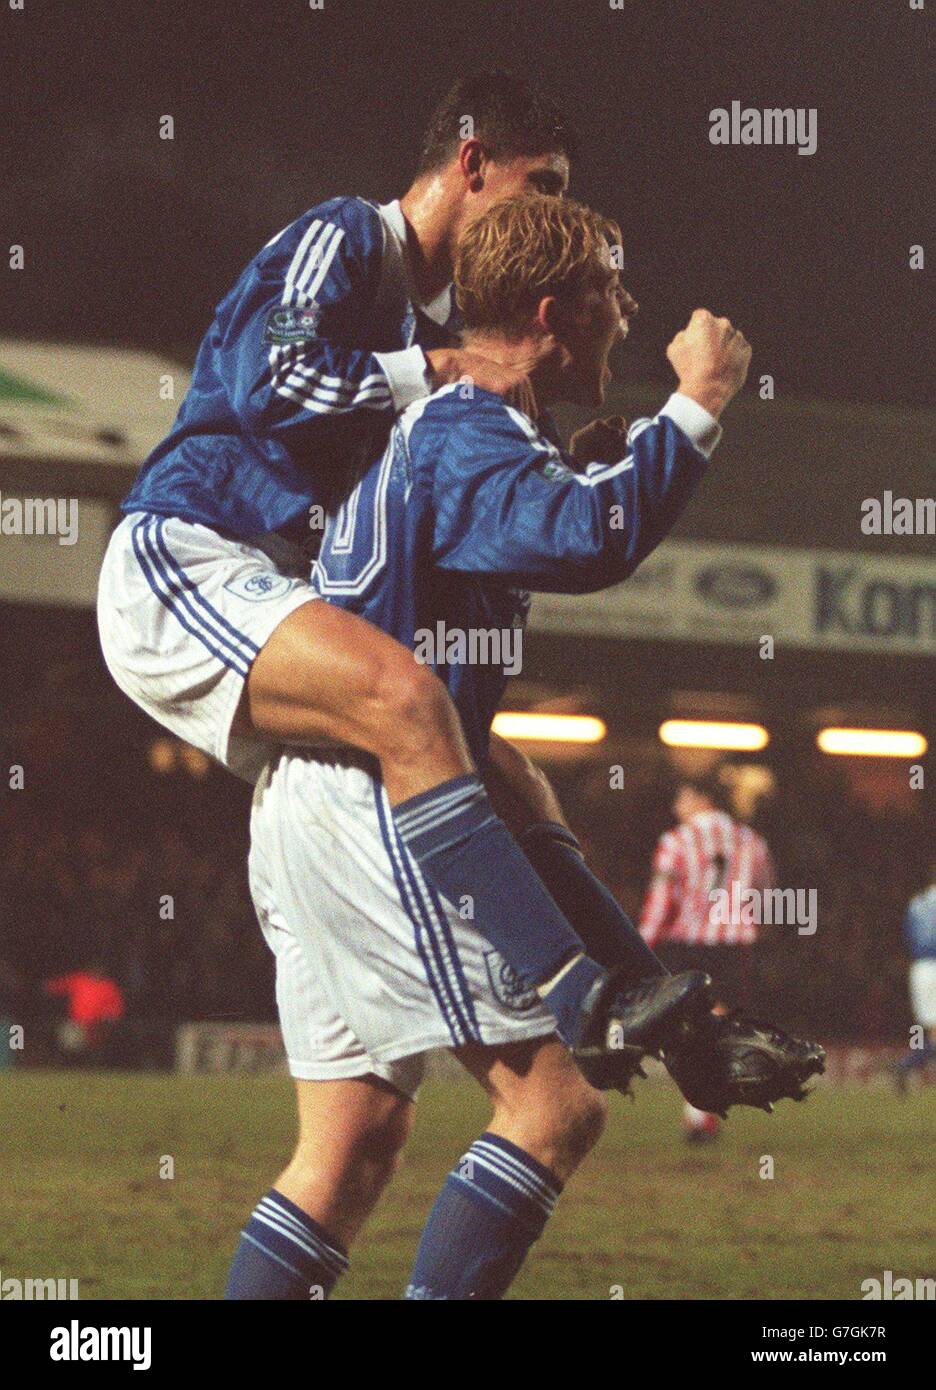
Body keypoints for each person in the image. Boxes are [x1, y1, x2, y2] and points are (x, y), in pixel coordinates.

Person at [97, 70, 707, 1066]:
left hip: (279, 594)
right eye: (541, 185)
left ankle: (658, 1009)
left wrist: (564, 466)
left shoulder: (425, 333)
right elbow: (272, 381)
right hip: (190, 554)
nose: (553, 212)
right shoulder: (345, 237)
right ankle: (575, 992)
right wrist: (441, 370)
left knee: (496, 767)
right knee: (410, 699)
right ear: (471, 162)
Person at [225, 192, 753, 1301]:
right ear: (558, 311)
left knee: (350, 1145)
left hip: (329, 794)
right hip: (380, 799)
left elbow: (553, 504)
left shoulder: (468, 428)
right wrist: (696, 406)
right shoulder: (467, 430)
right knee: (555, 1107)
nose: (633, 310)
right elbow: (584, 536)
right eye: (617, 292)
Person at [639, 773, 776, 1141]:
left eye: (680, 797)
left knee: (689, 1027)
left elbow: (661, 901)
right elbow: (765, 895)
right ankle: (704, 1110)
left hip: (689, 943)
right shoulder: (752, 841)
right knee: (718, 1025)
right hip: (734, 944)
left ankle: (699, 1110)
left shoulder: (675, 841)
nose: (675, 807)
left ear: (701, 798)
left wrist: (640, 945)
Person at [893, 863, 936, 1092]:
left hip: (920, 969)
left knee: (930, 1029)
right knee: (933, 1033)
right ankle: (906, 1065)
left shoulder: (916, 903)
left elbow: (908, 937)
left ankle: (907, 1065)